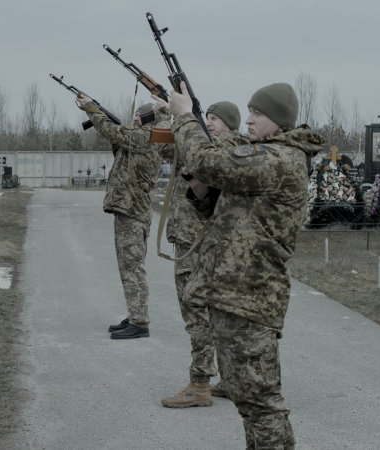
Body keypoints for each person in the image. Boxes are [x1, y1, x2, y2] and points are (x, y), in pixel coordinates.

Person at [159, 82, 324, 449]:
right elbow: (232, 213)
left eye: (257, 114)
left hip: (250, 299)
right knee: (249, 404)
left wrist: (185, 116)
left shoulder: (279, 159)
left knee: (262, 405)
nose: (247, 120)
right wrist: (202, 192)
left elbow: (205, 159)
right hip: (234, 295)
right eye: (248, 112)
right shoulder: (269, 155)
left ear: (278, 121)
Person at [156, 101, 250, 408]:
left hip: (196, 244)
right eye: (205, 118)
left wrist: (182, 119)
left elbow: (191, 149)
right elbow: (165, 151)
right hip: (203, 243)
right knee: (218, 316)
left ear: (230, 125)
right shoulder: (218, 149)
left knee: (196, 315)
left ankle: (199, 384)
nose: (208, 123)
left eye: (215, 119)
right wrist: (170, 116)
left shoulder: (219, 147)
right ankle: (232, 380)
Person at [77, 96, 170, 339]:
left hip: (133, 211)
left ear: (150, 119)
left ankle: (140, 323)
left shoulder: (147, 138)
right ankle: (135, 315)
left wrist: (91, 109)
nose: (136, 119)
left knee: (133, 268)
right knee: (128, 267)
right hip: (128, 210)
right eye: (135, 116)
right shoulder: (141, 138)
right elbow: (118, 142)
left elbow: (110, 130)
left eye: (141, 116)